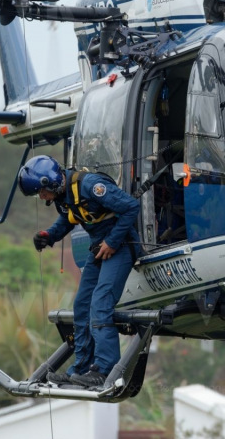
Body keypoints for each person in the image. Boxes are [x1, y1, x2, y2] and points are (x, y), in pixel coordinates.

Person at [18, 155, 141, 389]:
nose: (41, 197)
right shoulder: (63, 196)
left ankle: (106, 370)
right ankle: (83, 369)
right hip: (99, 249)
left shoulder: (89, 185)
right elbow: (68, 218)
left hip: (121, 246)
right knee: (81, 307)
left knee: (100, 304)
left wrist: (113, 241)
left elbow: (130, 207)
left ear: (50, 181)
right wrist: (50, 236)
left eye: (41, 192)